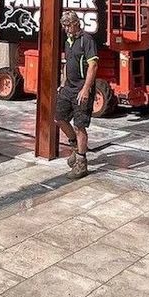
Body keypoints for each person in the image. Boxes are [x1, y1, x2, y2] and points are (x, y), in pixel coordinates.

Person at [55, 10, 99, 178]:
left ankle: (81, 162)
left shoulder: (86, 40)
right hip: (69, 88)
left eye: (67, 25)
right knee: (59, 118)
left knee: (79, 126)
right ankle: (74, 145)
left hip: (82, 88)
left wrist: (86, 89)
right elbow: (67, 63)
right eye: (64, 26)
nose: (66, 29)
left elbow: (93, 66)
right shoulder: (68, 41)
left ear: (75, 24)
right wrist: (63, 83)